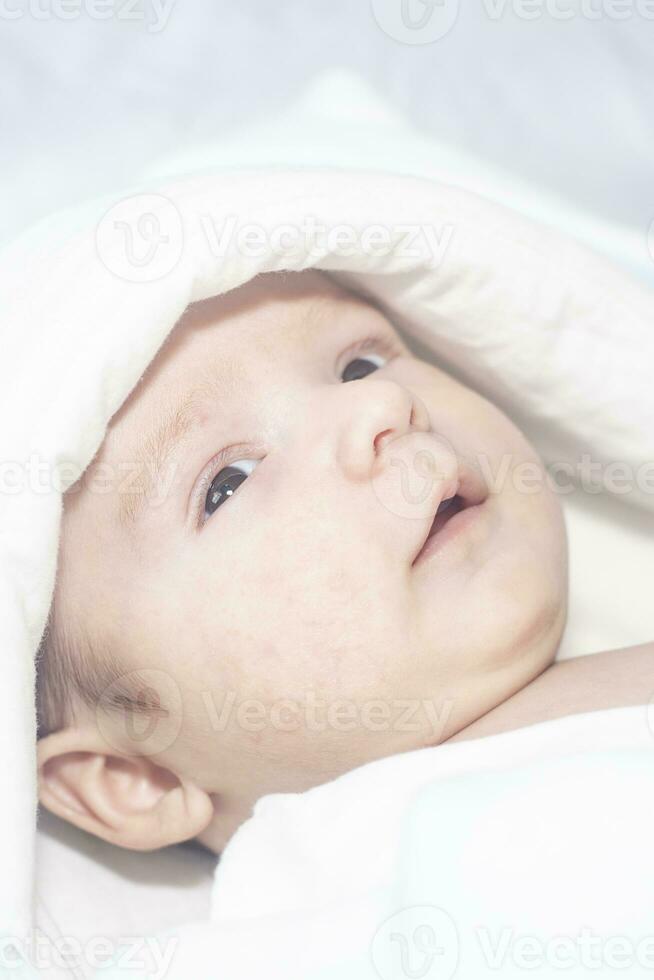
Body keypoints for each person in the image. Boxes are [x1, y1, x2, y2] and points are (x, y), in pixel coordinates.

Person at [34, 268, 651, 856]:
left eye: (362, 364)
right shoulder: (324, 897)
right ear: (135, 776)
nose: (380, 404)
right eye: (227, 482)